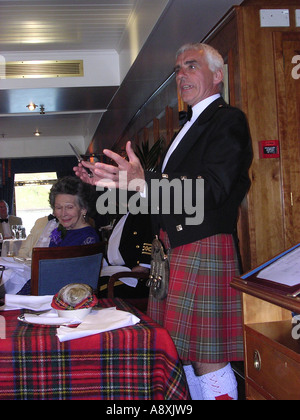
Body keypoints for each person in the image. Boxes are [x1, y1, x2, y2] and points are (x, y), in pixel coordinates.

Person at [74, 43, 253, 400]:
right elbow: (160, 195)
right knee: (180, 354)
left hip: (202, 245)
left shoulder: (227, 120)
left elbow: (212, 190)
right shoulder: (186, 129)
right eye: (177, 70)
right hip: (169, 251)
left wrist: (143, 180)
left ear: (218, 75)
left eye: (191, 66)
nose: (182, 75)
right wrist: (109, 182)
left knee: (207, 357)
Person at [17, 176, 99, 295]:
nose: (63, 213)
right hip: (44, 291)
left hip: (62, 298)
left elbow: (77, 283)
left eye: (69, 207)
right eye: (58, 207)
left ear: (83, 209)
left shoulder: (88, 238)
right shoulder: (60, 231)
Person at [98, 212, 152, 299]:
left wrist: (144, 265)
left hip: (136, 277)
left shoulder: (146, 212)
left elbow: (152, 236)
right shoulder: (122, 214)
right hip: (115, 270)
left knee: (95, 290)